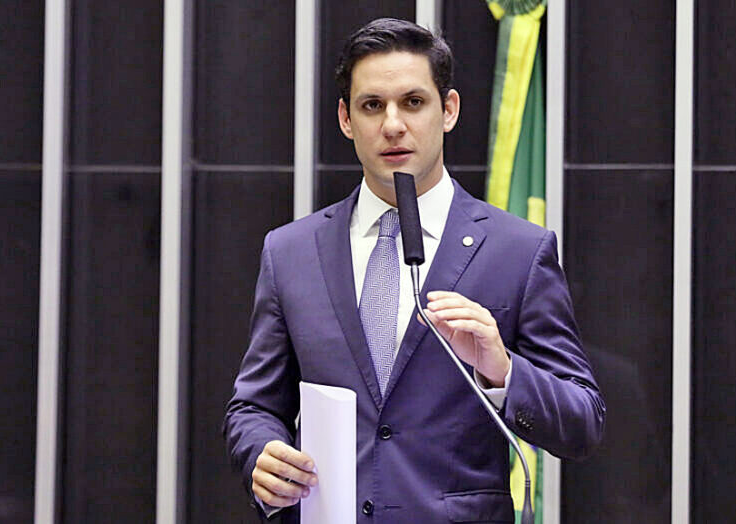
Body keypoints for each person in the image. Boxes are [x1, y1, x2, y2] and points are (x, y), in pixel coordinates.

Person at [224, 17, 604, 523]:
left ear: (448, 110)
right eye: (372, 106)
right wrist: (261, 455)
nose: (393, 125)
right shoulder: (291, 251)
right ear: (345, 118)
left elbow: (582, 423)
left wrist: (503, 370)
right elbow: (252, 408)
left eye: (414, 102)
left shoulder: (518, 250)